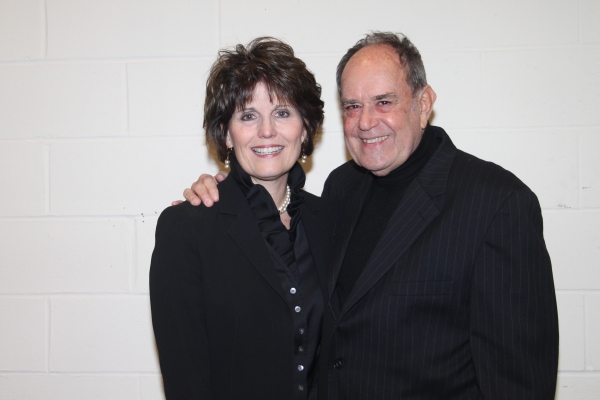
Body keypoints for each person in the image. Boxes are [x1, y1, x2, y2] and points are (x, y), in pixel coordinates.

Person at [183, 32, 559, 399]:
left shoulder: (496, 204)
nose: (365, 122)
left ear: (424, 103)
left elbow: (519, 383)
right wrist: (226, 191)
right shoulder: (340, 189)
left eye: (384, 102)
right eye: (352, 106)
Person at [150, 37, 337, 400]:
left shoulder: (329, 221)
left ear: (305, 127)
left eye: (282, 112)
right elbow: (185, 379)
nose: (267, 131)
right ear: (226, 134)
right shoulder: (187, 229)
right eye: (248, 116)